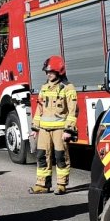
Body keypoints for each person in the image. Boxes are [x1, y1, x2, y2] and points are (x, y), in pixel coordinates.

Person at [30, 56, 78, 195]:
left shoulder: (68, 88)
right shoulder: (44, 88)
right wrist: (35, 128)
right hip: (44, 130)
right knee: (41, 156)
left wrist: (68, 130)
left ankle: (62, 184)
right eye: (47, 72)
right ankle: (42, 184)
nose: (48, 74)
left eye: (51, 71)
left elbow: (72, 111)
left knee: (60, 156)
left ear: (59, 71)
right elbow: (39, 110)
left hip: (60, 130)